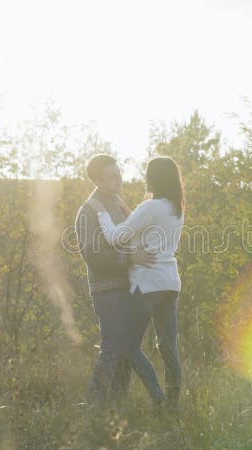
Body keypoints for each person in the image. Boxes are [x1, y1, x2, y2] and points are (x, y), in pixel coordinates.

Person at [85, 156, 185, 410]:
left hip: (147, 284)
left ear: (154, 178)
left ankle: (158, 399)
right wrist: (129, 209)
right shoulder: (176, 207)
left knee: (128, 346)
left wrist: (101, 212)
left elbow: (117, 237)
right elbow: (145, 229)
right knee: (169, 347)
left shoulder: (150, 207)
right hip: (170, 283)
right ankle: (173, 405)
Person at [75, 154, 156, 408]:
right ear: (97, 180)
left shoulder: (118, 204)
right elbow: (94, 255)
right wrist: (131, 258)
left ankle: (117, 407)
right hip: (107, 291)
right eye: (112, 175)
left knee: (126, 351)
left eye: (118, 172)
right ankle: (93, 407)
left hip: (129, 287)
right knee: (112, 348)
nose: (119, 177)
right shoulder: (88, 211)